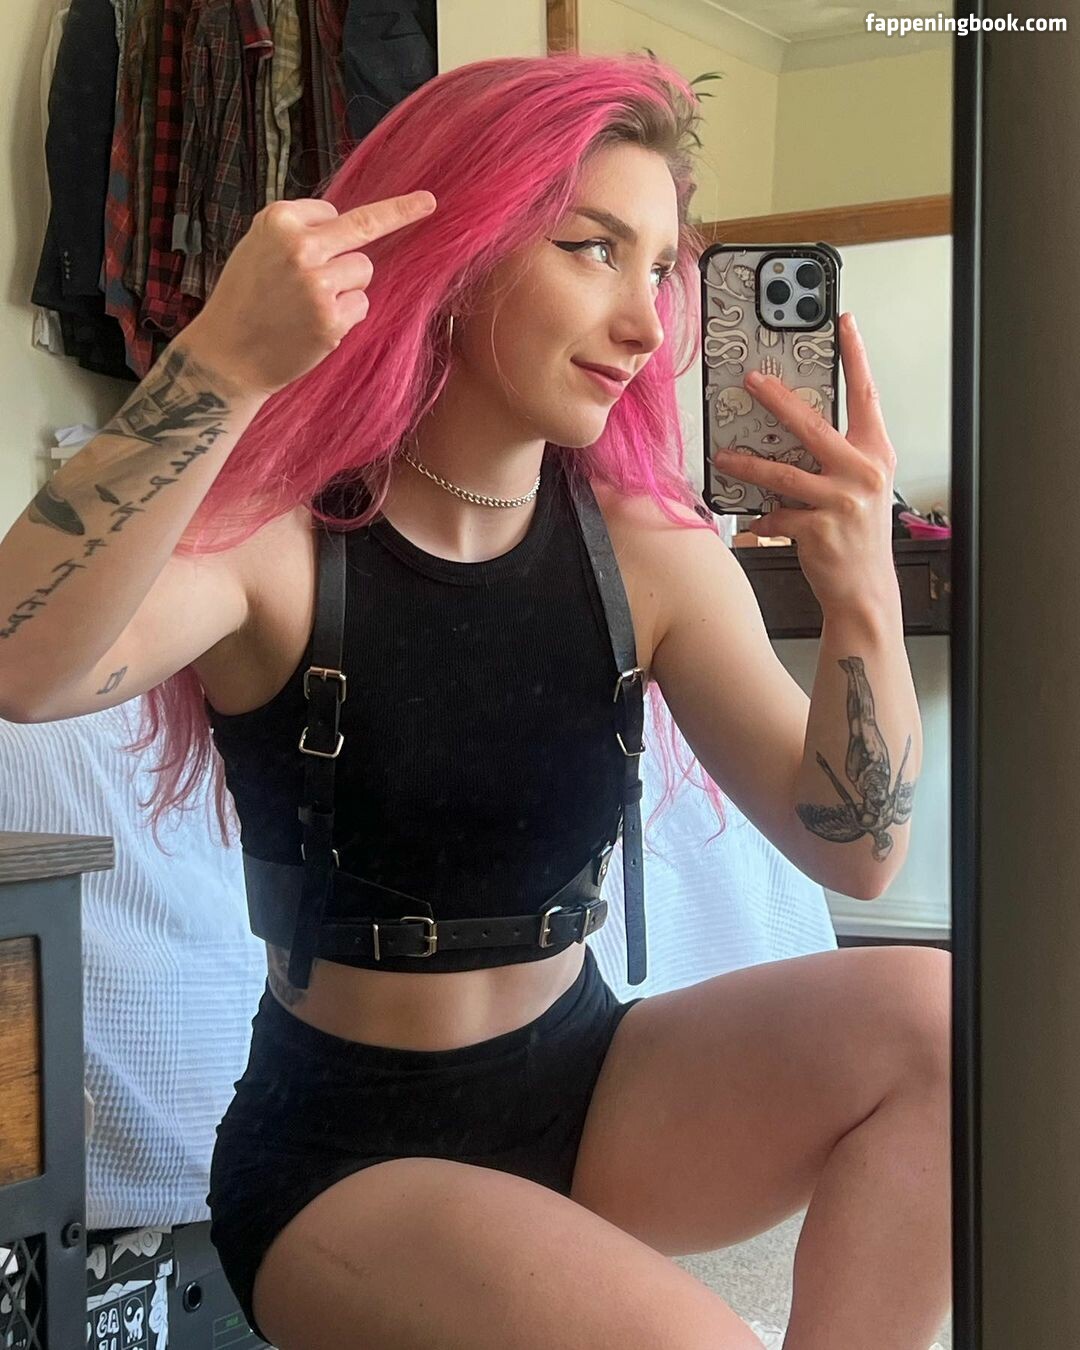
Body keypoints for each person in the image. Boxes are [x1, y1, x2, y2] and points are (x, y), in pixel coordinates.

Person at [0, 51, 951, 1350]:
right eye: (592, 249)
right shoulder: (286, 544)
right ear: (457, 248)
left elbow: (858, 847)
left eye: (658, 270)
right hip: (346, 1152)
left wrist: (864, 598)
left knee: (940, 1027)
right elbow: (24, 666)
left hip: (588, 1084)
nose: (645, 326)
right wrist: (215, 364)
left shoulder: (648, 554)